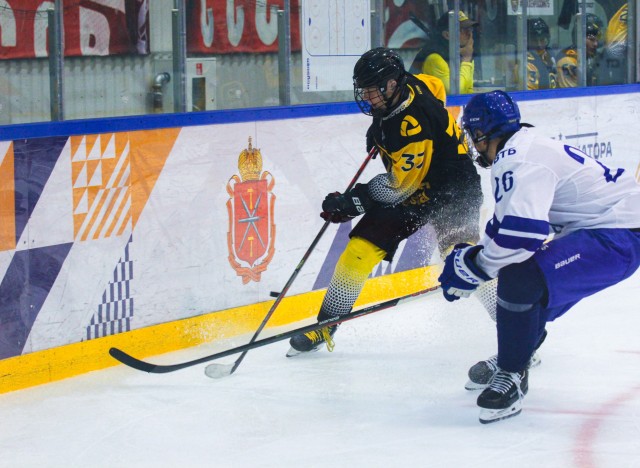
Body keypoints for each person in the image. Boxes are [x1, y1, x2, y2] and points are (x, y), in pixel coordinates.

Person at [438, 90, 640, 424]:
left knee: (522, 277)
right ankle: (516, 354)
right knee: (528, 284)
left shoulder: (519, 159)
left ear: (480, 133)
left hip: (619, 234)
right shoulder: (519, 149)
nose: (473, 145)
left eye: (472, 137)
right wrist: (473, 257)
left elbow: (523, 237)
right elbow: (504, 225)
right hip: (607, 230)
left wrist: (477, 268)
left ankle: (512, 374)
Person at [287, 48, 483, 356]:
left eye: (371, 90)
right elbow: (437, 87)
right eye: (363, 89)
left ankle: (520, 333)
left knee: (464, 262)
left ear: (391, 86)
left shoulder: (412, 127)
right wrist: (381, 128)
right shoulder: (414, 83)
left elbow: (397, 189)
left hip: (453, 189)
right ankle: (326, 325)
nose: (366, 96)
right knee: (358, 251)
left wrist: (352, 201)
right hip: (417, 186)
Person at [409, 11, 478, 94]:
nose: (469, 33)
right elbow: (455, 93)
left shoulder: (463, 55)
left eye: (469, 29)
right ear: (447, 35)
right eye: (463, 30)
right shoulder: (435, 58)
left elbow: (468, 90)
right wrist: (467, 60)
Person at [556, 13, 604, 87]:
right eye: (591, 39)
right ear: (579, 36)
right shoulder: (567, 59)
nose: (596, 44)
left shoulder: (594, 56)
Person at [514, 17, 557, 90]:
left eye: (542, 39)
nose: (539, 45)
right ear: (527, 41)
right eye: (534, 40)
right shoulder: (525, 63)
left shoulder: (550, 56)